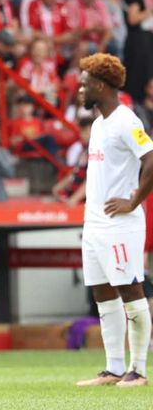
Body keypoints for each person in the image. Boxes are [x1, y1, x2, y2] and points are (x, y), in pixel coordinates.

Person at [75, 53, 152, 387]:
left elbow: (150, 160)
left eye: (84, 83)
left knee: (130, 290)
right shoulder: (98, 123)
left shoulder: (127, 120)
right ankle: (114, 368)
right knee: (103, 294)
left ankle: (139, 369)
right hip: (94, 225)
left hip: (120, 224)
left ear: (100, 85)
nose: (79, 89)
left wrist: (133, 200)